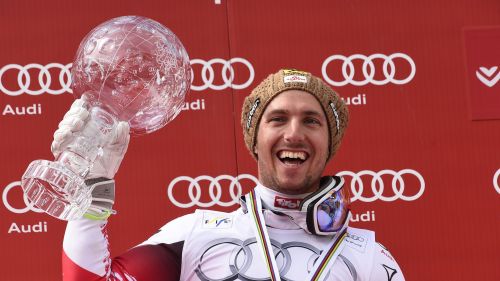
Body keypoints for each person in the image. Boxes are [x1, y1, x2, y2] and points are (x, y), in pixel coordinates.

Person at [54, 69, 405, 281]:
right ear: (255, 141)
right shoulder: (194, 237)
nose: (294, 133)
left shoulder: (371, 258)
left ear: (330, 145)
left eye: (311, 121)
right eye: (278, 119)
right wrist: (92, 193)